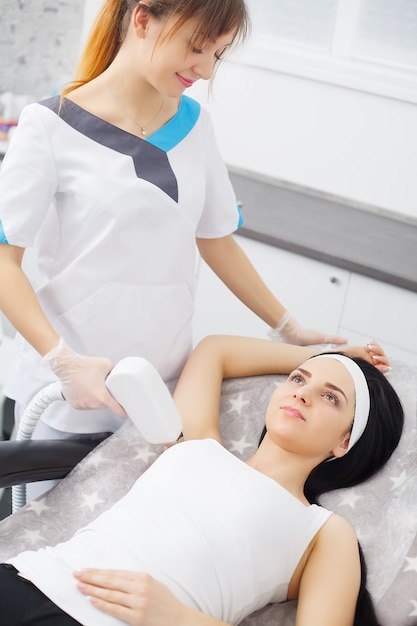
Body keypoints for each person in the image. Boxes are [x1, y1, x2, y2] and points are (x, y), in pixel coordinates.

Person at [0, 0, 346, 477]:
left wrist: (289, 327)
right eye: (196, 46)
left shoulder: (196, 125)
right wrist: (64, 362)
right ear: (142, 19)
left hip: (162, 391)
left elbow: (217, 240)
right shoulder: (50, 125)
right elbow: (4, 262)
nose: (204, 70)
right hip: (72, 393)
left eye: (218, 55)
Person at [0, 336, 403, 625]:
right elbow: (215, 350)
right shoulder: (195, 443)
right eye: (298, 379)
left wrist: (176, 617)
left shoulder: (324, 533)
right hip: (26, 578)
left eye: (330, 397)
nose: (302, 394)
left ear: (345, 440)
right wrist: (328, 355)